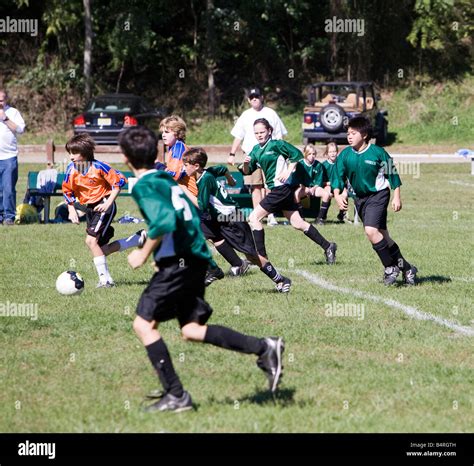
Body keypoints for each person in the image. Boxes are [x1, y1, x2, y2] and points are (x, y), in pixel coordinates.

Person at [119, 126, 284, 413]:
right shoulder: (163, 178)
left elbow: (165, 221)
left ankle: (176, 395)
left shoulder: (145, 184)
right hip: (195, 260)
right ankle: (265, 347)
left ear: (125, 158)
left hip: (180, 264)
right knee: (192, 329)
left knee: (142, 325)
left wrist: (143, 254)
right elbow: (187, 217)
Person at [184, 147, 296, 292]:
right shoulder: (207, 172)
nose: (183, 167)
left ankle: (281, 280)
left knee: (252, 256)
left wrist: (184, 190)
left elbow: (202, 205)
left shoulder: (205, 180)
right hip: (217, 218)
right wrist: (230, 179)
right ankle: (213, 270)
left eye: (186, 165)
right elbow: (221, 168)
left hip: (232, 219)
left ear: (196, 166)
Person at [331, 116, 417, 285]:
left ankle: (390, 267)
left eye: (353, 133)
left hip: (378, 195)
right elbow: (337, 178)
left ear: (364, 135)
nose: (349, 136)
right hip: (359, 199)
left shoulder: (378, 153)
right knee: (382, 235)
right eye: (348, 133)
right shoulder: (345, 155)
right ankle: (407, 268)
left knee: (371, 231)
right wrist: (337, 195)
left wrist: (397, 196)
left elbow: (392, 175)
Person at [241, 118, 337, 270]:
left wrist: (288, 170)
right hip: (279, 191)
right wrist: (246, 163)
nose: (259, 135)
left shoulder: (277, 144)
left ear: (269, 131)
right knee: (298, 223)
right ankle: (328, 246)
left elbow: (298, 155)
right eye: (256, 133)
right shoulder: (255, 150)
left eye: (262, 132)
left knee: (253, 218)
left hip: (282, 189)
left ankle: (261, 257)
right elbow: (247, 171)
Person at [62, 133, 146, 288]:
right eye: (70, 153)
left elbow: (119, 182)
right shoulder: (71, 170)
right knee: (100, 249)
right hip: (90, 209)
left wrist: (108, 203)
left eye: (74, 153)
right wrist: (71, 209)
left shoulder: (99, 167)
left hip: (104, 205)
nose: (71, 157)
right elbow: (67, 191)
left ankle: (106, 281)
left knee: (90, 241)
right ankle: (136, 239)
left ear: (85, 153)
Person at [228, 87, 287, 226]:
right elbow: (238, 136)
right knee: (255, 186)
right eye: (252, 97)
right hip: (251, 155)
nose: (254, 99)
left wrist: (282, 153)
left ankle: (271, 215)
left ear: (262, 97)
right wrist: (232, 154)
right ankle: (257, 215)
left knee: (269, 185)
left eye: (257, 96)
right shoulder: (245, 115)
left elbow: (279, 135)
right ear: (249, 100)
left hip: (269, 155)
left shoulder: (271, 113)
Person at [159, 115, 198, 205]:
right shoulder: (173, 148)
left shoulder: (179, 148)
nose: (163, 135)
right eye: (162, 132)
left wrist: (158, 167)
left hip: (190, 197)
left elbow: (175, 175)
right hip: (183, 195)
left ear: (177, 134)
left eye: (167, 132)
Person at [0, 89, 25, 225]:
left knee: (8, 189)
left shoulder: (13, 112)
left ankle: (9, 217)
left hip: (8, 157)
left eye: (1, 100)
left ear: (6, 100)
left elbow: (21, 129)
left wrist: (5, 118)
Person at [293, 144, 333, 225]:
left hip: (314, 188)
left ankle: (320, 218)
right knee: (296, 194)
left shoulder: (318, 165)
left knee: (326, 194)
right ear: (305, 154)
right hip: (303, 187)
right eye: (309, 154)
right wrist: (305, 188)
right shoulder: (300, 164)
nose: (312, 156)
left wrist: (313, 189)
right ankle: (301, 218)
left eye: (313, 154)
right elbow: (298, 181)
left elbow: (319, 181)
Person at [322, 142, 349, 223]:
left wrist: (344, 187)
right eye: (330, 152)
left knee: (345, 194)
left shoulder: (341, 163)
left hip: (340, 186)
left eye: (334, 151)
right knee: (327, 193)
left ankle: (341, 215)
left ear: (337, 152)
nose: (333, 154)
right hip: (328, 186)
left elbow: (344, 178)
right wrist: (327, 183)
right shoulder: (324, 165)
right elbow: (321, 181)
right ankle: (323, 216)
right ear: (327, 153)